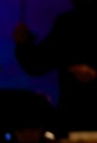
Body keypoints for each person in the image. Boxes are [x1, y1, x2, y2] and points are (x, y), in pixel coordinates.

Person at [13, 0, 97, 135]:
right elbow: (38, 63)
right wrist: (23, 45)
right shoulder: (68, 23)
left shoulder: (67, 23)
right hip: (72, 117)